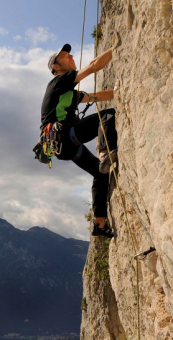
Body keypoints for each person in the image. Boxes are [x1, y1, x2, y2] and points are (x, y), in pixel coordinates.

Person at [40, 43, 118, 238]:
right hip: (66, 135)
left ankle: (99, 222)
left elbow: (96, 96)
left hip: (63, 148)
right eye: (65, 56)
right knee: (106, 115)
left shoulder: (65, 93)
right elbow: (92, 66)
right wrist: (117, 47)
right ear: (55, 68)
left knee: (100, 173)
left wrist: (121, 92)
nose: (71, 56)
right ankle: (104, 151)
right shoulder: (58, 82)